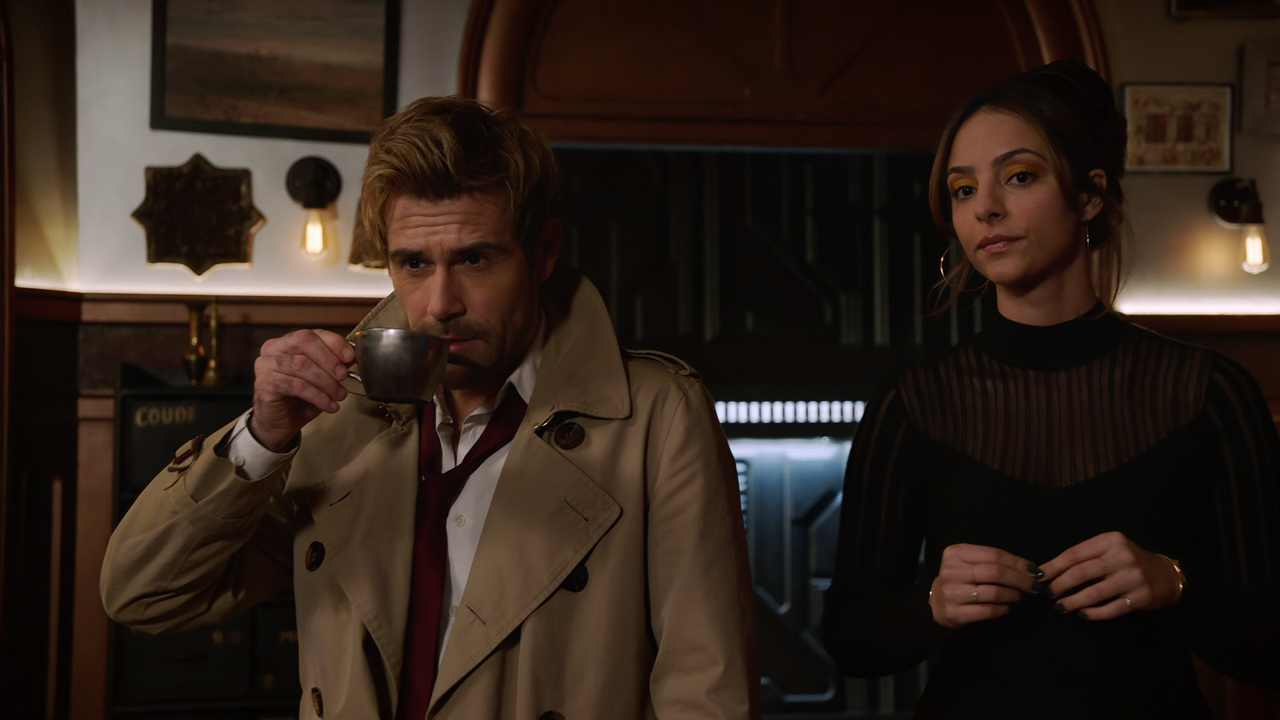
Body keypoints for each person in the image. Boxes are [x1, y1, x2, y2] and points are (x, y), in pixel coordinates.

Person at [101, 97, 759, 720]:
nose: (441, 303)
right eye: (413, 263)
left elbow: (707, 691)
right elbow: (143, 595)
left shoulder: (657, 417)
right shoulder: (334, 420)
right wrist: (262, 438)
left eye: (475, 259)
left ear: (543, 253)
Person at [822, 60, 1280, 718]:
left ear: (1090, 195)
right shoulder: (914, 404)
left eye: (1019, 176)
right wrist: (932, 604)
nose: (986, 207)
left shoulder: (1208, 394)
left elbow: (1269, 648)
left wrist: (1173, 581)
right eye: (962, 189)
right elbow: (850, 640)